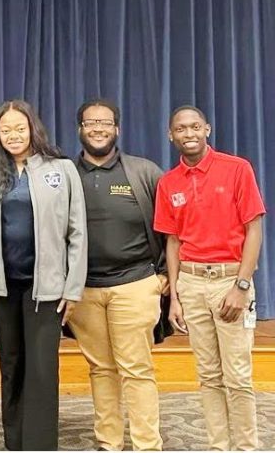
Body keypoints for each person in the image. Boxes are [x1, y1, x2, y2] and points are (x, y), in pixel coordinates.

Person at [0, 99, 86, 451]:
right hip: (2, 286)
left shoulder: (61, 168)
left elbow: (77, 230)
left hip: (47, 289)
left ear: (32, 128)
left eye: (20, 128)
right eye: (6, 130)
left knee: (41, 369)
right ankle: (15, 442)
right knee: (11, 365)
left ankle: (40, 444)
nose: (13, 135)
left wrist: (73, 287)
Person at [154, 105, 266, 451]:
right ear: (171, 136)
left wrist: (242, 285)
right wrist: (175, 296)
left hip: (230, 281)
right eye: (181, 129)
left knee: (238, 378)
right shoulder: (168, 182)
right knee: (209, 377)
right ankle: (219, 446)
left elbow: (254, 228)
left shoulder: (236, 169)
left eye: (195, 127)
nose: (189, 134)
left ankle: (246, 448)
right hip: (190, 282)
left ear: (208, 129)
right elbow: (172, 241)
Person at [66, 98, 166, 451]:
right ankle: (108, 444)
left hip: (135, 285)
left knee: (137, 369)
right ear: (79, 128)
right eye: (90, 122)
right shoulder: (65, 173)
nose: (97, 128)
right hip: (85, 292)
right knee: (101, 370)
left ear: (117, 129)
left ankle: (146, 445)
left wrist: (165, 275)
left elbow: (170, 227)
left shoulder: (144, 171)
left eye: (105, 122)